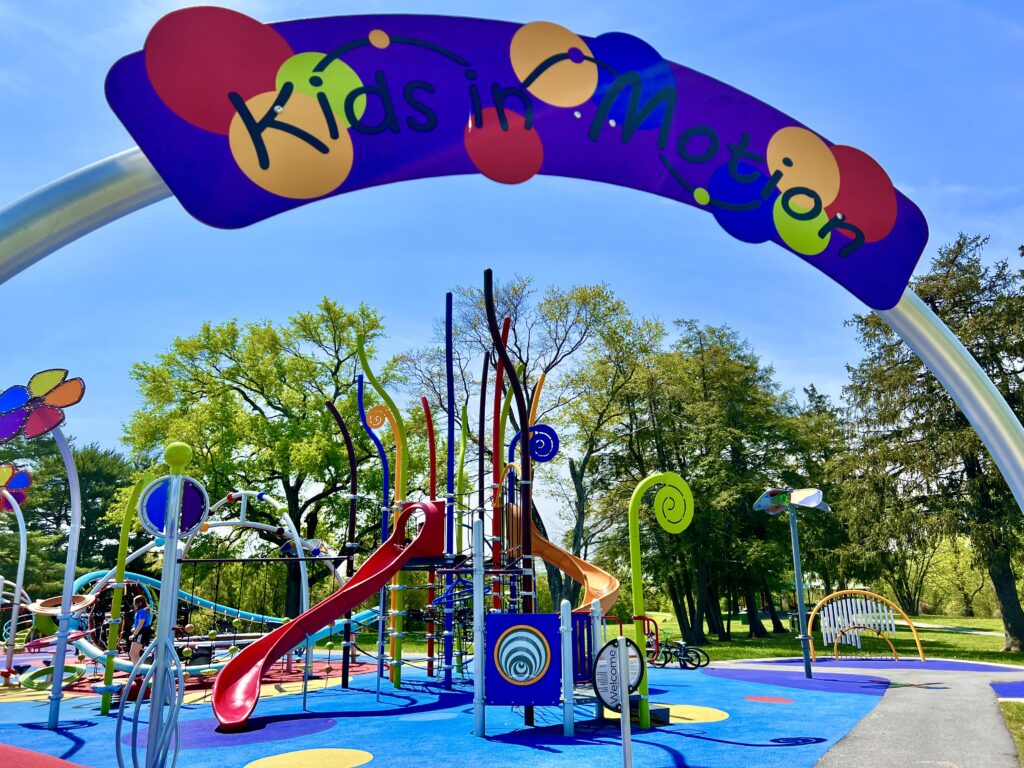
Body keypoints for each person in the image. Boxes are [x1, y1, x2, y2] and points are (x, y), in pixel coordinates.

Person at [128, 594, 152, 663]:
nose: (134, 604)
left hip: (141, 632)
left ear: (140, 603)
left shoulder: (142, 611)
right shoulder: (141, 611)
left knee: (133, 653)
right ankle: (138, 670)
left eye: (135, 603)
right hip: (140, 632)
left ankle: (138, 671)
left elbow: (140, 624)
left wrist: (134, 635)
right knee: (133, 653)